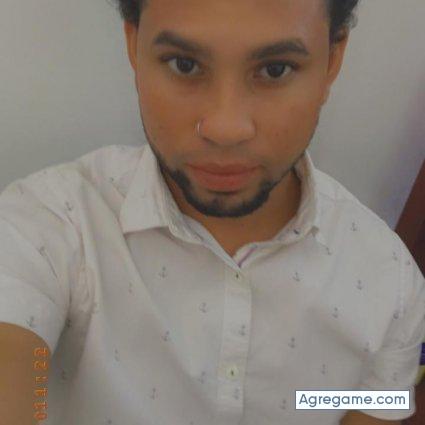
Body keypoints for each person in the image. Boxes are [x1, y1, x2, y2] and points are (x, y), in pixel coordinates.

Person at [0, 0, 424, 424]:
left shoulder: (394, 288)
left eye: (275, 70)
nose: (225, 128)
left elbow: (375, 409)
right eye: (184, 65)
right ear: (134, 46)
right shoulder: (48, 225)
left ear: (332, 60)